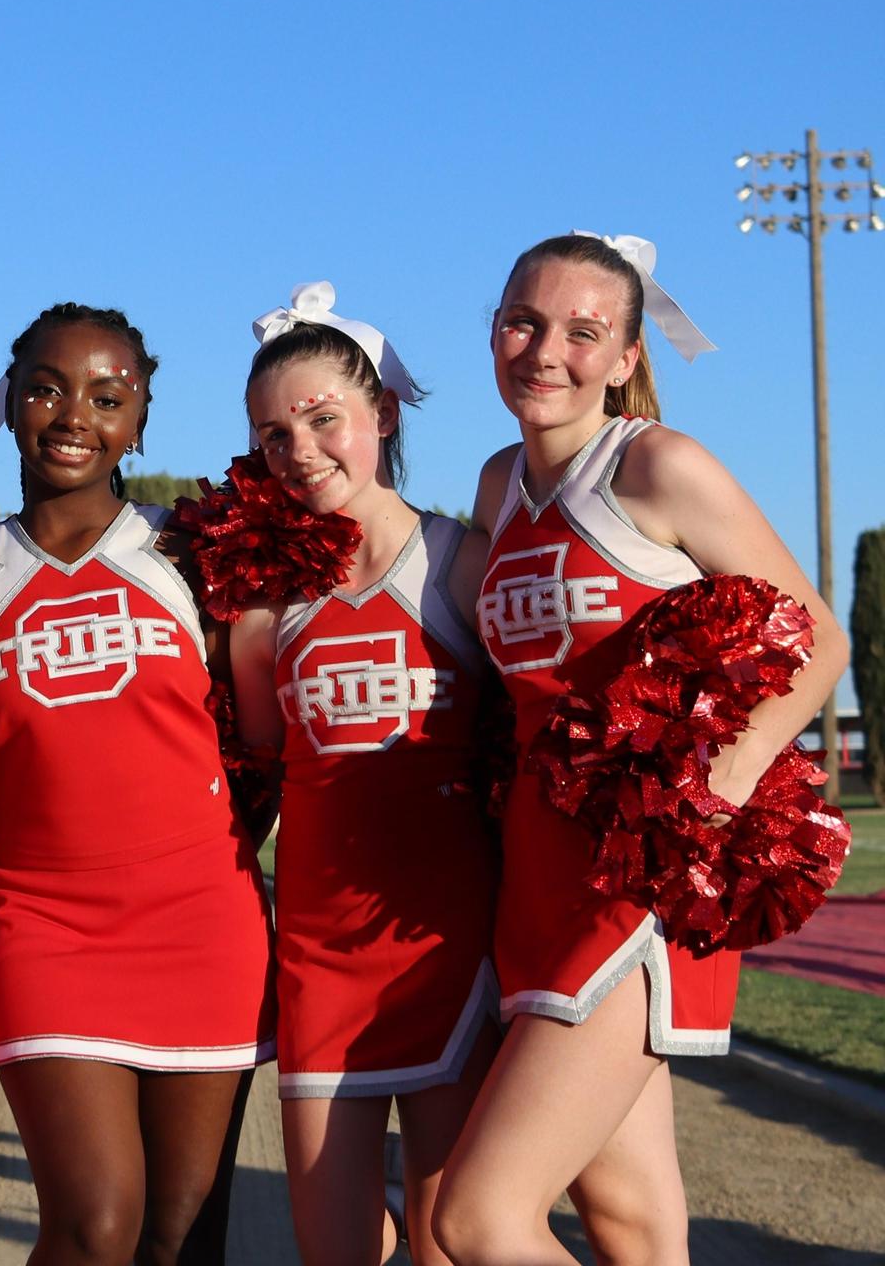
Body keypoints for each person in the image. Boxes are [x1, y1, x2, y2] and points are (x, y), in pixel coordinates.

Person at [432, 233, 849, 1265]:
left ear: (625, 355)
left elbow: (819, 636)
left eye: (584, 332)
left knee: (477, 1219)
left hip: (636, 883)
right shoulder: (496, 485)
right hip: (533, 873)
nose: (545, 351)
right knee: (631, 1225)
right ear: (494, 330)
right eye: (524, 322)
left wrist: (721, 780)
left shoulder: (659, 464)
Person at [0, 304, 276, 1264]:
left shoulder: (191, 556)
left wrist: (203, 847)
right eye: (46, 388)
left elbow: (261, 742)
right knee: (94, 1227)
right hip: (47, 927)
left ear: (140, 422)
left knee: (179, 1238)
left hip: (202, 929)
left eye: (107, 396)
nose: (73, 415)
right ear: (9, 405)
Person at [227, 285, 498, 1264]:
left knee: (446, 1240)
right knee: (331, 1243)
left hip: (445, 946)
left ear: (381, 413)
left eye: (321, 418)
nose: (299, 450)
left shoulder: (458, 564)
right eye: (272, 434)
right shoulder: (264, 610)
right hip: (317, 954)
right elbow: (257, 778)